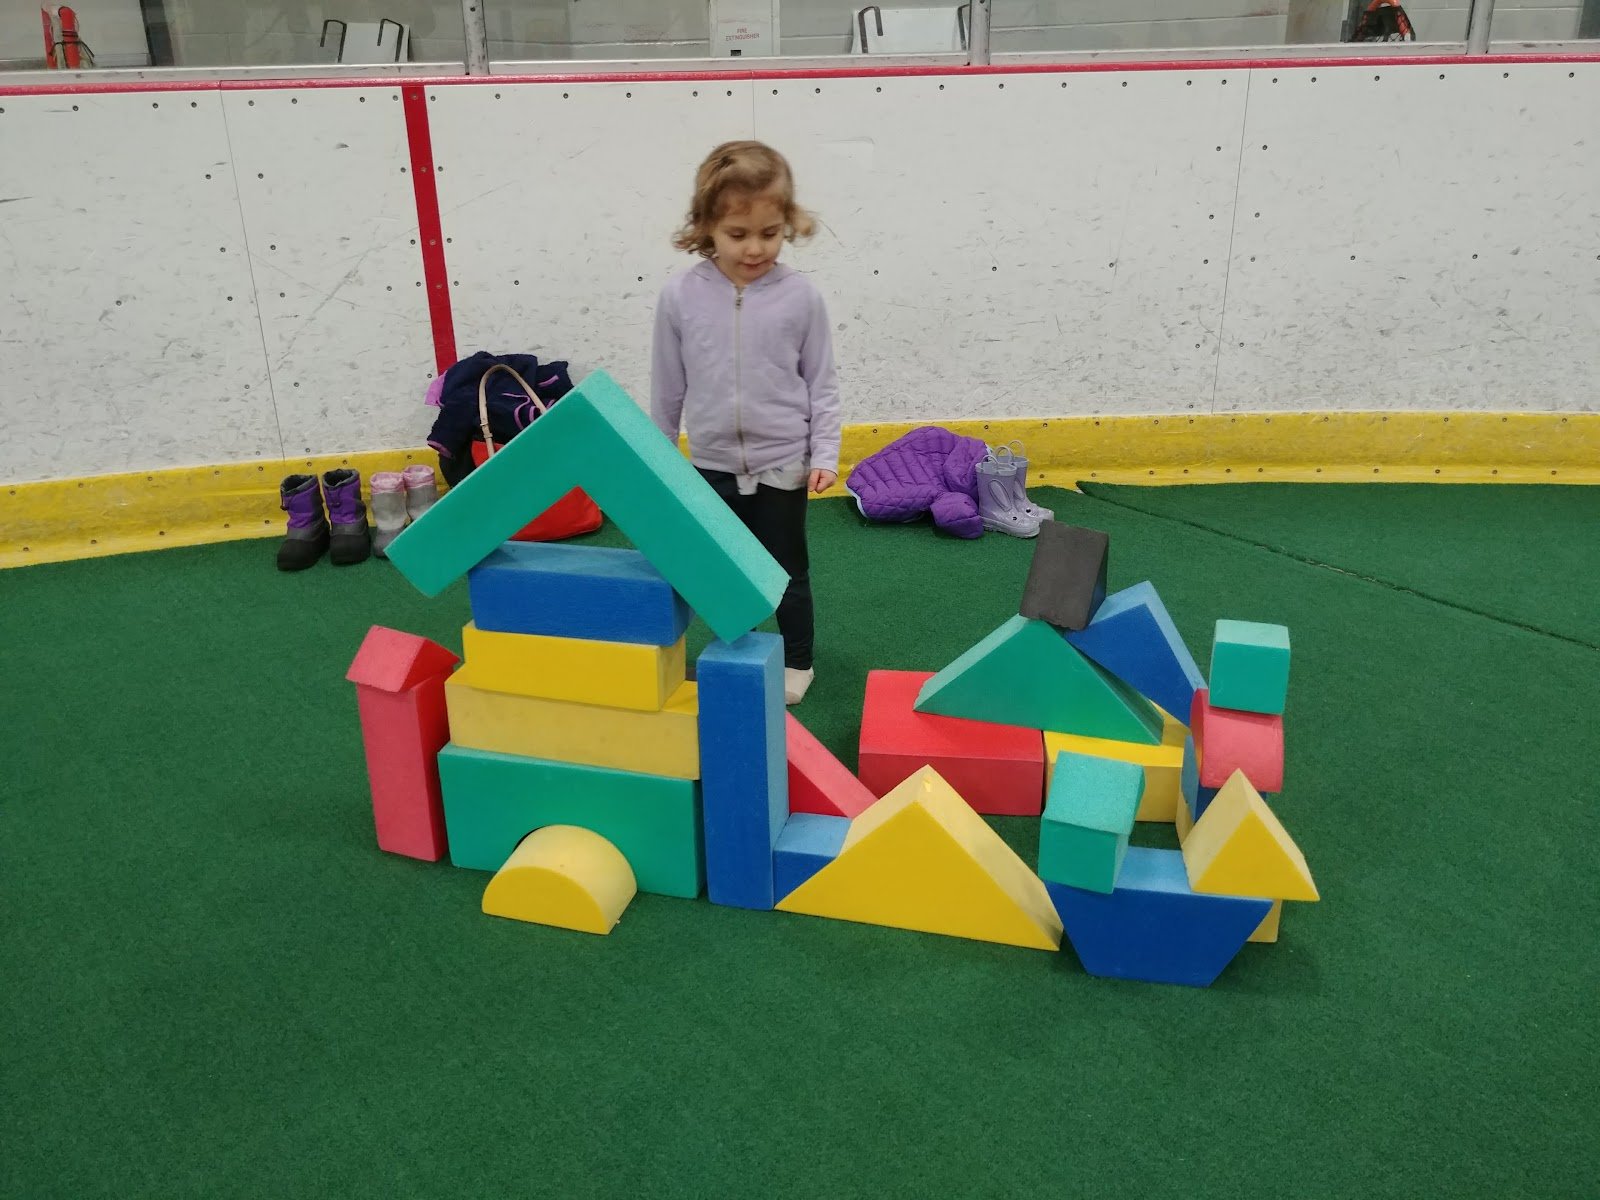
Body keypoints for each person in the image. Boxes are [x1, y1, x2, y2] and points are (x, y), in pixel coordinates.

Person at [651, 141, 841, 706]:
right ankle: (740, 654)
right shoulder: (680, 296)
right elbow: (667, 386)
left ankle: (798, 661)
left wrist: (824, 454)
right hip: (710, 463)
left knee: (786, 570)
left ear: (787, 224)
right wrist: (660, 457)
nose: (755, 248)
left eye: (770, 232)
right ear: (706, 226)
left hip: (783, 461)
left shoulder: (801, 298)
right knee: (725, 570)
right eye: (738, 234)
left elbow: (822, 383)